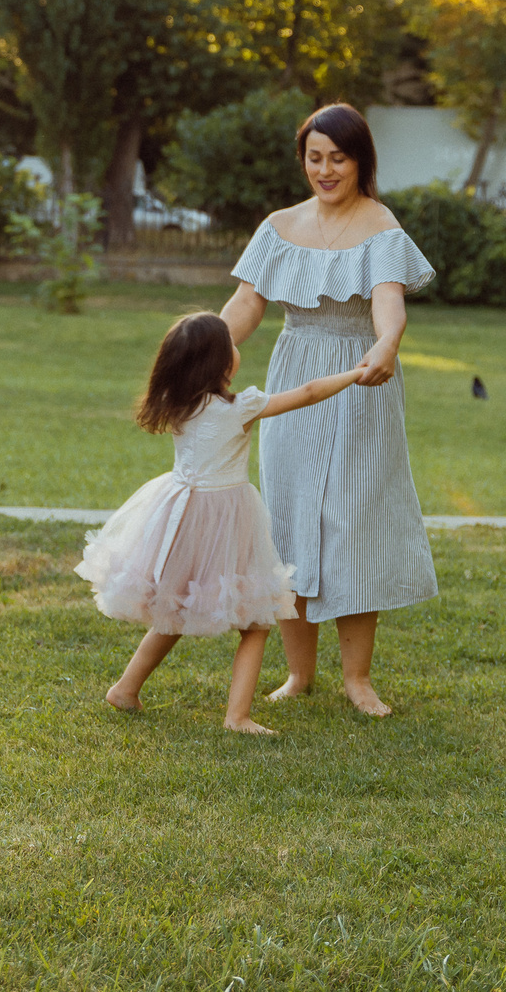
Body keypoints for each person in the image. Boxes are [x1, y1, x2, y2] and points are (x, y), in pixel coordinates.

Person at [221, 103, 437, 717]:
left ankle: (357, 679)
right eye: (314, 158)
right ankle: (298, 673)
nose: (325, 170)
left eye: (338, 158)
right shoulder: (279, 226)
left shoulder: (381, 226)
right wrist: (205, 349)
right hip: (294, 379)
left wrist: (387, 344)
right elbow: (247, 303)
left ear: (360, 160)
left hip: (360, 379)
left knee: (352, 519)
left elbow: (389, 302)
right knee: (288, 517)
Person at [77, 311, 376, 735]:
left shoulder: (178, 404)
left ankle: (125, 689)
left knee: (174, 608)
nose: (237, 348)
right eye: (231, 344)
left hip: (180, 515)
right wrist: (355, 373)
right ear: (220, 363)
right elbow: (308, 393)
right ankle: (237, 717)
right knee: (256, 624)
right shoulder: (240, 407)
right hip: (224, 519)